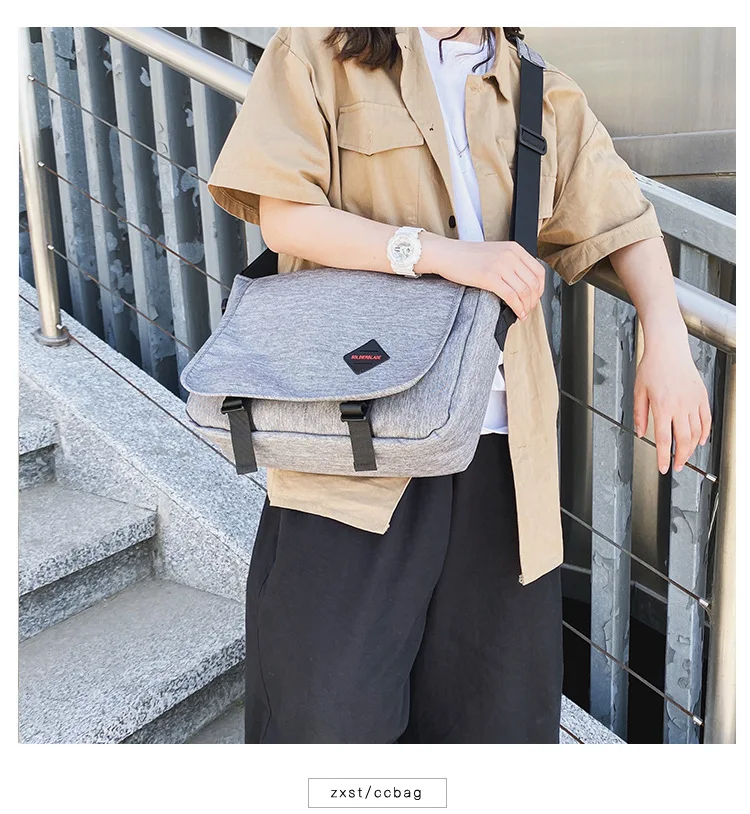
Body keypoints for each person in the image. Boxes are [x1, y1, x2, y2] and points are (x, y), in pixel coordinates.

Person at [206, 27, 712, 744]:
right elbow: (284, 215)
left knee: (493, 726)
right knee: (325, 721)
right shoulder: (324, 45)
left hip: (502, 459)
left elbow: (623, 219)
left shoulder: (541, 93)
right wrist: (437, 254)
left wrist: (666, 337)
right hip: (356, 444)